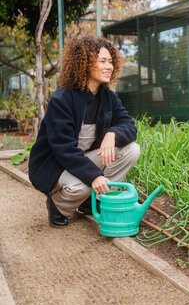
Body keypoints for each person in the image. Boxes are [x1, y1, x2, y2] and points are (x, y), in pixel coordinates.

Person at [29, 37, 140, 227]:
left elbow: (129, 125)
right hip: (57, 165)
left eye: (111, 62)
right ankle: (58, 206)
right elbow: (63, 149)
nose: (109, 67)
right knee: (82, 186)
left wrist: (112, 134)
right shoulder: (62, 98)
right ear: (86, 64)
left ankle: (96, 201)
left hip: (83, 159)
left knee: (131, 149)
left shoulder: (108, 97)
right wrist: (94, 176)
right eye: (102, 61)